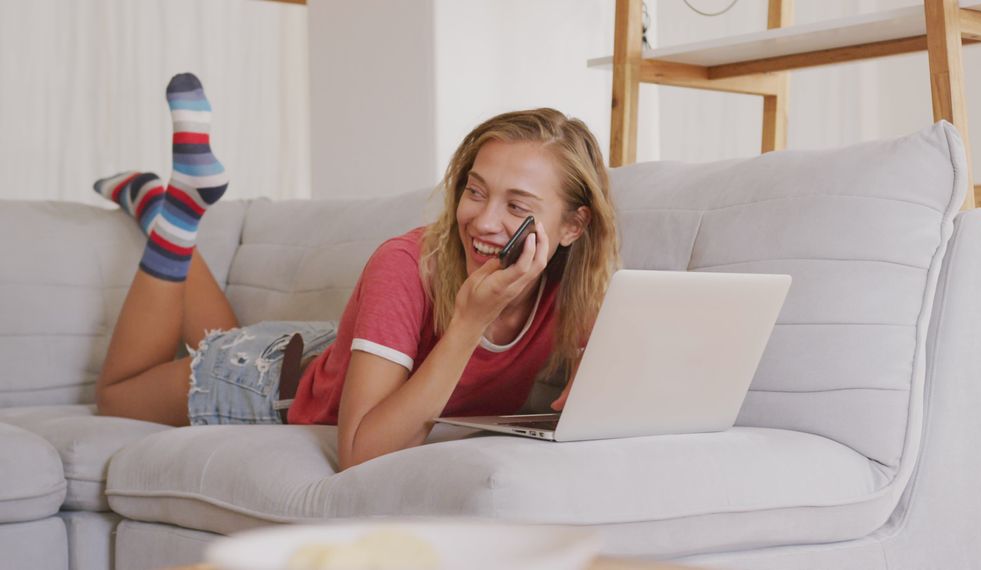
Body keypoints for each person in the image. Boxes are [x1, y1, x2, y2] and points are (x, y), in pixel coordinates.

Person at [94, 73, 620, 470]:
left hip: (332, 351)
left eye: (516, 205)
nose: (482, 221)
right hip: (265, 379)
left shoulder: (577, 286)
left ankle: (150, 202)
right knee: (117, 394)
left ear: (574, 226)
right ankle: (178, 215)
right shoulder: (405, 265)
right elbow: (360, 455)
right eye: (475, 191)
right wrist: (468, 324)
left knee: (224, 331)